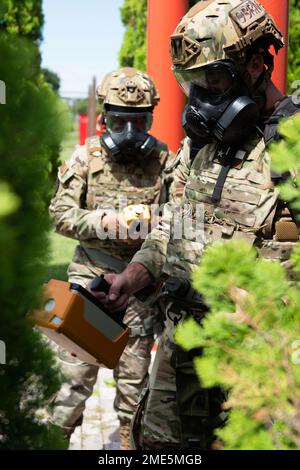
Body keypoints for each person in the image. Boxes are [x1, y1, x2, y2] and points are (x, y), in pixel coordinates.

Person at [89, 0, 300, 449]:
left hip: (259, 367)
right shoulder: (199, 147)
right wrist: (130, 278)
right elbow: (173, 227)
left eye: (214, 80)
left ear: (259, 63)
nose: (201, 97)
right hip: (181, 351)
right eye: (192, 83)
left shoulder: (294, 143)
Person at [48, 67, 175, 449]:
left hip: (139, 290)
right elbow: (60, 213)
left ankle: (126, 446)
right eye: (120, 121)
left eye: (139, 121)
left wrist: (154, 224)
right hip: (90, 282)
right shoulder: (86, 157)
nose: (130, 131)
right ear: (105, 117)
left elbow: (178, 221)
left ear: (150, 117)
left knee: (134, 391)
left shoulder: (164, 160)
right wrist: (107, 221)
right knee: (71, 385)